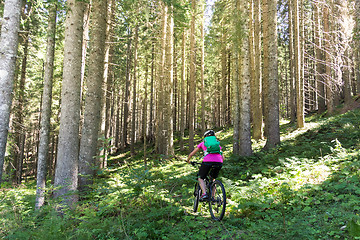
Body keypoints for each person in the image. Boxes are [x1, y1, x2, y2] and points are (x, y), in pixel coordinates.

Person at [186, 130, 224, 200]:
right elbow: (222, 156)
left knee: (200, 178)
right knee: (213, 179)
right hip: (219, 161)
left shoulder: (203, 143)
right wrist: (219, 161)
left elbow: (191, 154)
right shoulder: (217, 144)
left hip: (207, 161)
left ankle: (204, 193)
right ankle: (213, 197)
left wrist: (188, 160)